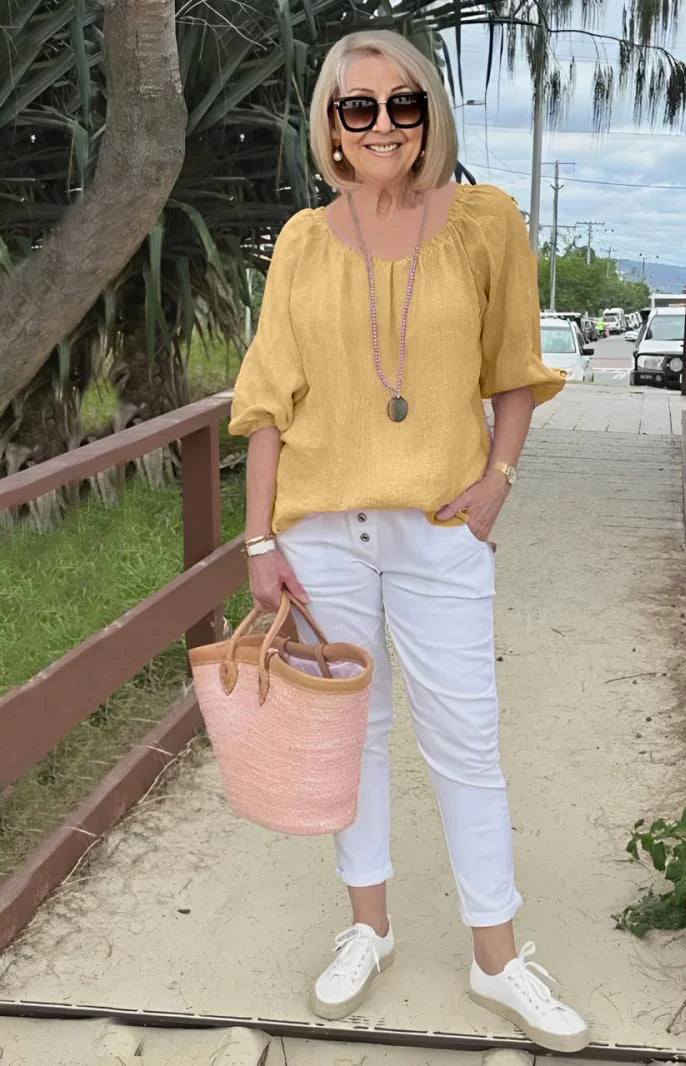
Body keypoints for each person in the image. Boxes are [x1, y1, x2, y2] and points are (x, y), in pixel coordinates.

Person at [228, 28, 589, 1055]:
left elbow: (513, 369)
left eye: (402, 104)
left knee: (465, 741)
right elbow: (267, 402)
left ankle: (496, 956)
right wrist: (258, 542)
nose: (381, 124)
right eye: (359, 107)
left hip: (439, 531)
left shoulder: (485, 222)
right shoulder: (303, 242)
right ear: (332, 126)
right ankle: (368, 929)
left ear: (429, 117)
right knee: (351, 736)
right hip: (322, 533)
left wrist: (496, 483)